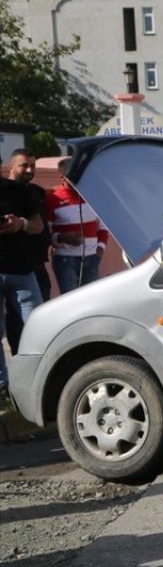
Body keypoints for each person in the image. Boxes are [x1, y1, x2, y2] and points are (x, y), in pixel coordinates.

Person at [0, 161, 46, 393]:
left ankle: (43, 381)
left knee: (38, 328)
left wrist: (20, 223)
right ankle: (2, 387)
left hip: (22, 271)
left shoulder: (18, 191)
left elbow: (38, 226)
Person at [4, 149, 51, 355]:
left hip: (28, 268)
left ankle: (37, 369)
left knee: (37, 323)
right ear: (11, 167)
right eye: (24, 165)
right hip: (10, 267)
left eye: (33, 165)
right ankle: (5, 380)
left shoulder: (32, 192)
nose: (30, 170)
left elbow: (41, 225)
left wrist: (20, 223)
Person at [46, 158, 110, 295]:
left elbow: (103, 227)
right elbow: (45, 233)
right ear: (62, 177)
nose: (78, 178)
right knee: (71, 301)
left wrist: (100, 250)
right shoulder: (52, 198)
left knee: (91, 299)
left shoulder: (92, 196)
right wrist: (61, 237)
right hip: (65, 260)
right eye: (73, 174)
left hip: (92, 258)